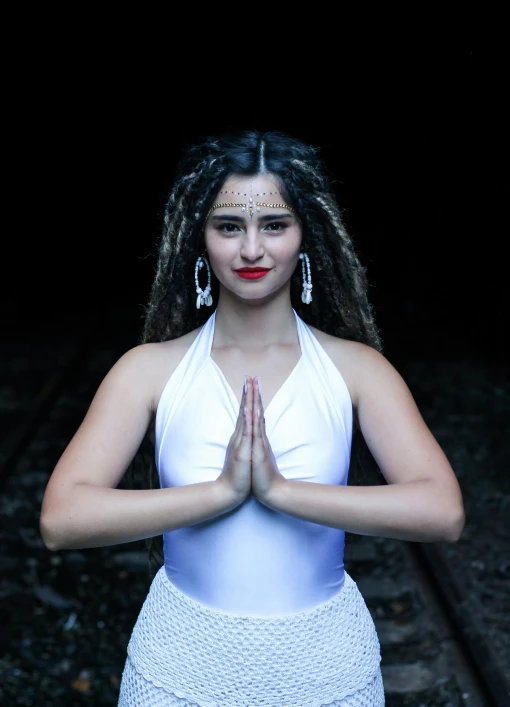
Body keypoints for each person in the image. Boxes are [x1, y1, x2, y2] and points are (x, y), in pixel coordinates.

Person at [40, 129, 465, 706]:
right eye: (228, 226)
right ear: (202, 238)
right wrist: (220, 493)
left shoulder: (358, 371)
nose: (251, 251)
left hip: (327, 671)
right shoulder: (148, 370)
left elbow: (443, 512)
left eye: (274, 225)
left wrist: (281, 492)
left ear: (303, 235)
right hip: (179, 668)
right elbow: (61, 519)